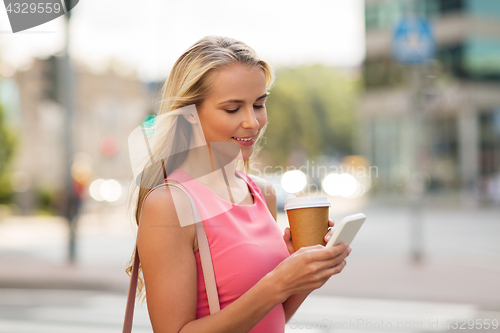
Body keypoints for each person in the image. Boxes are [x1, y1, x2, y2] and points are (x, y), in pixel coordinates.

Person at [127, 36, 351, 333]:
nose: (252, 122)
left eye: (259, 104)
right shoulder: (170, 204)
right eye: (233, 109)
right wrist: (278, 282)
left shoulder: (262, 192)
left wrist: (303, 277)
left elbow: (270, 318)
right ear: (190, 115)